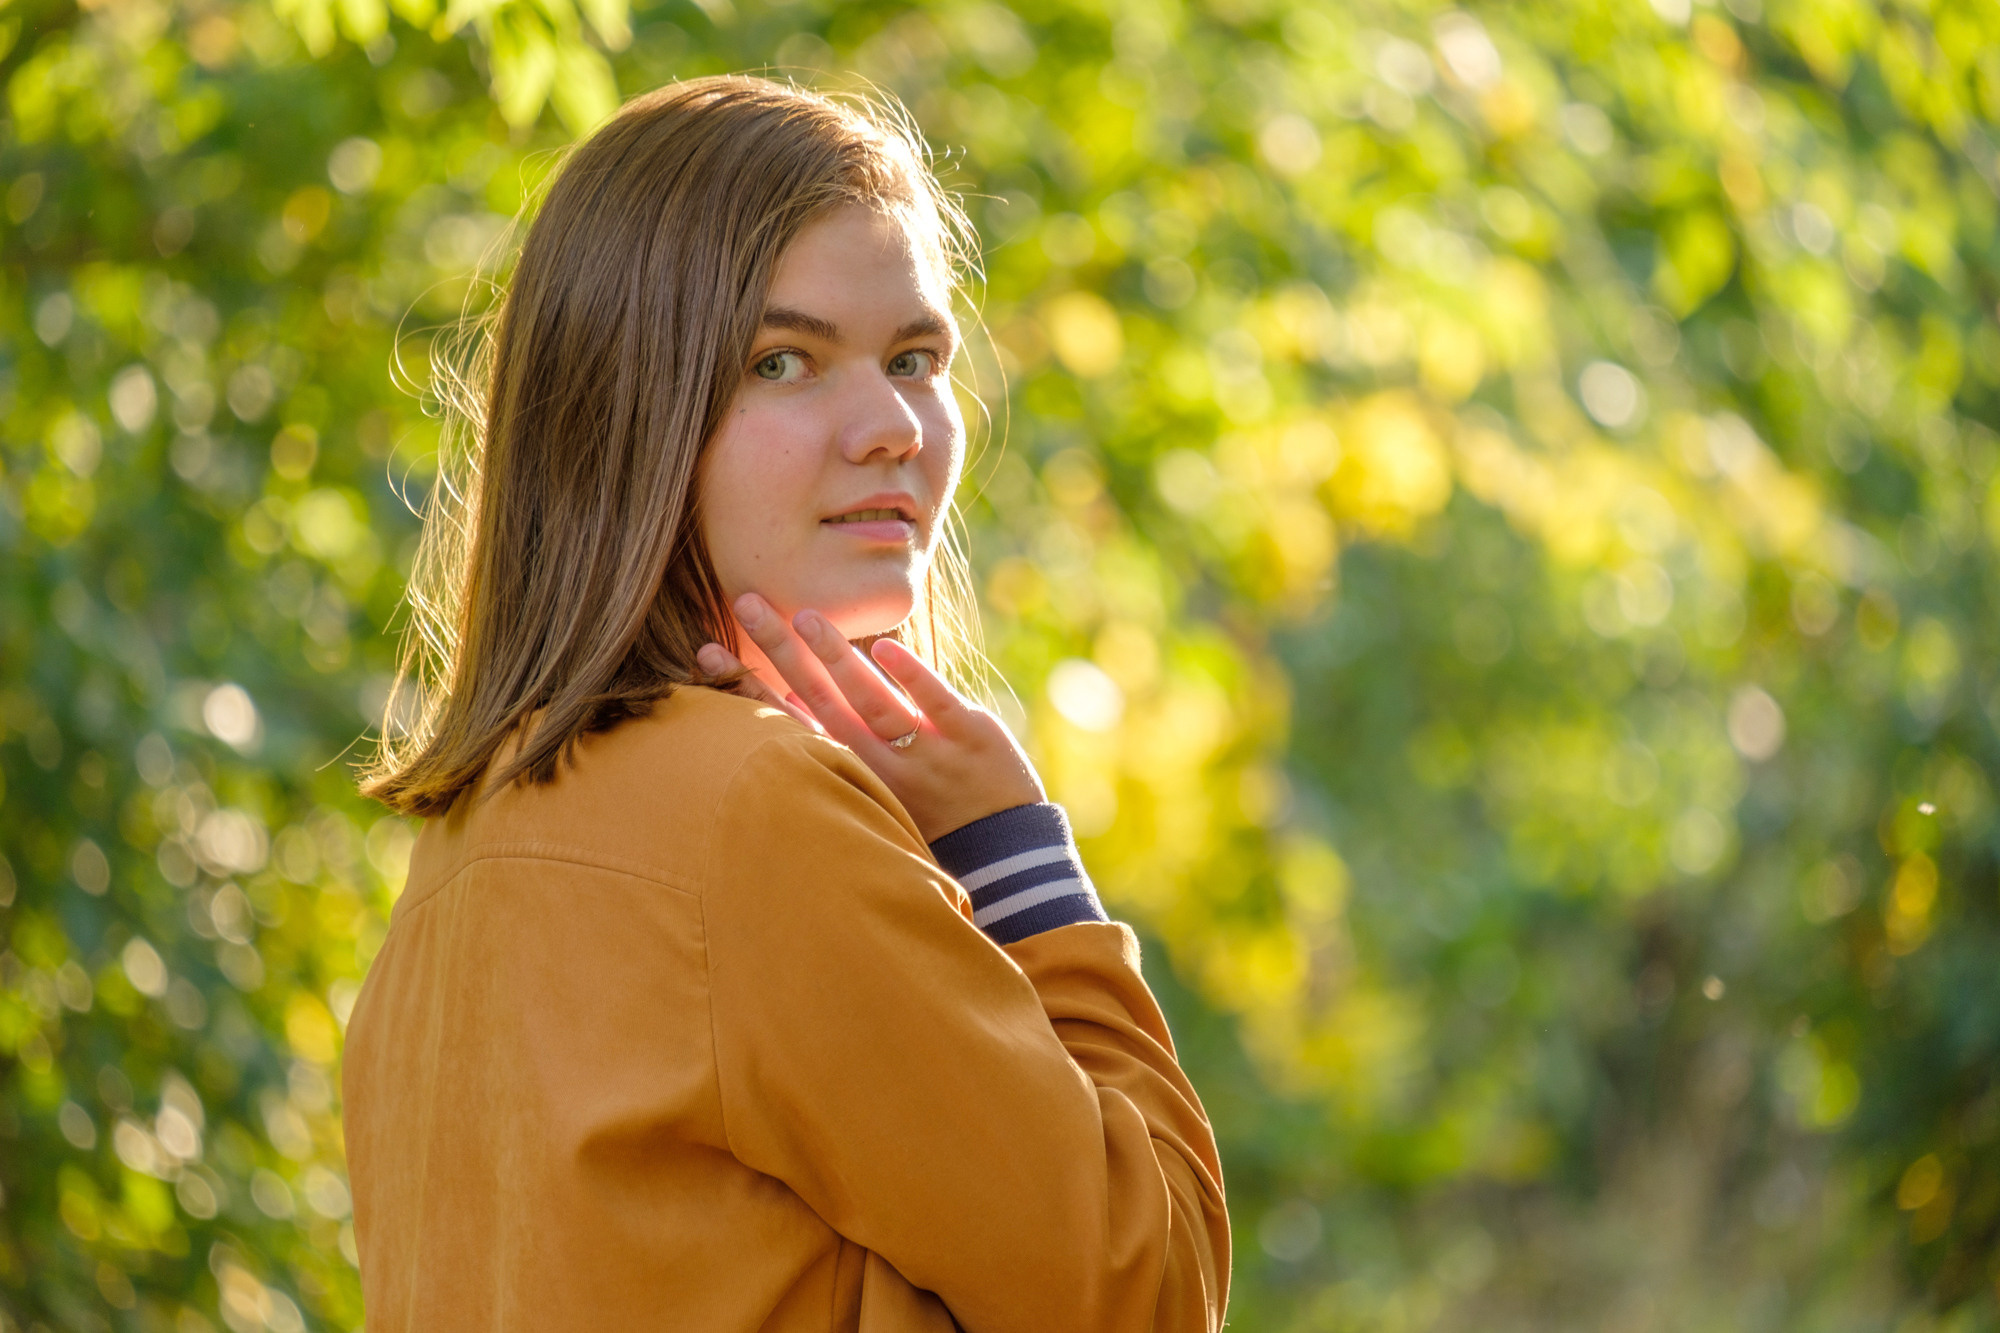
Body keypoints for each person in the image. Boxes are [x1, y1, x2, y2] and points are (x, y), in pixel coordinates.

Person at [341, 74, 1230, 1332]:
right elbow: (1150, 1291)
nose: (893, 427)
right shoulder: (755, 812)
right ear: (625, 413)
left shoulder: (458, 856)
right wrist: (1012, 853)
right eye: (784, 362)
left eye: (914, 359)